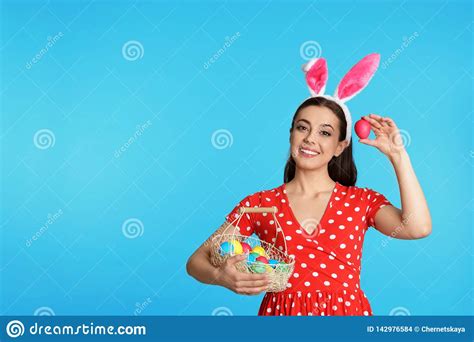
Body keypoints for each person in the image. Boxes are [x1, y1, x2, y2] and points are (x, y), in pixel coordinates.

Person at [186, 53, 432, 316]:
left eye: (325, 132)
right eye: (302, 128)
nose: (310, 139)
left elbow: (418, 227)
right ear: (291, 134)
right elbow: (195, 262)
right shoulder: (259, 204)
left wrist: (398, 155)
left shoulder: (361, 201)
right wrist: (220, 276)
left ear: (340, 146)